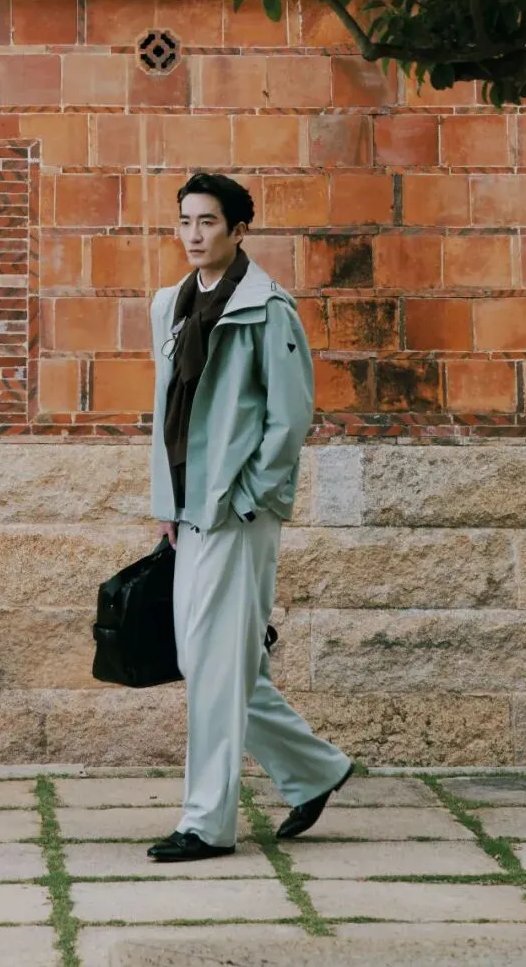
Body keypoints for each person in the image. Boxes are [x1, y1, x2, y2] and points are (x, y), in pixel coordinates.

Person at [146, 171, 353, 861]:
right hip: (190, 510)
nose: (193, 234)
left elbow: (289, 417)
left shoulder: (268, 309)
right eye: (185, 221)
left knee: (213, 666)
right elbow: (169, 412)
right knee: (211, 660)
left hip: (237, 512)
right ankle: (314, 769)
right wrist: (167, 501)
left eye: (207, 221)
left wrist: (248, 497)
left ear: (238, 231)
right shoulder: (170, 304)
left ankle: (206, 823)